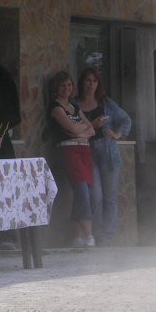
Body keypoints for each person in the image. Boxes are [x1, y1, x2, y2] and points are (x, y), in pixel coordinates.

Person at [75, 67, 131, 247]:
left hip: (108, 153)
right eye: (87, 80)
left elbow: (126, 119)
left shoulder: (105, 102)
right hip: (87, 153)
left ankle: (107, 237)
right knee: (95, 196)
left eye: (94, 81)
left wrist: (118, 134)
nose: (91, 84)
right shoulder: (75, 104)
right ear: (82, 82)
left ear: (98, 84)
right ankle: (96, 234)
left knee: (110, 197)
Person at [47, 71, 96, 247]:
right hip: (69, 150)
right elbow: (72, 129)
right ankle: (89, 234)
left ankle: (76, 237)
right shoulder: (56, 108)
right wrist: (79, 131)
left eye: (69, 85)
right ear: (56, 88)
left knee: (85, 191)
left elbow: (92, 130)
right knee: (81, 189)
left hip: (85, 150)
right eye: (63, 85)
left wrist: (79, 130)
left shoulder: (74, 107)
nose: (66, 88)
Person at [0, 64, 22, 250]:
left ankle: (7, 236)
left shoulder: (2, 77)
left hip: (0, 142)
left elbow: (9, 111)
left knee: (3, 187)